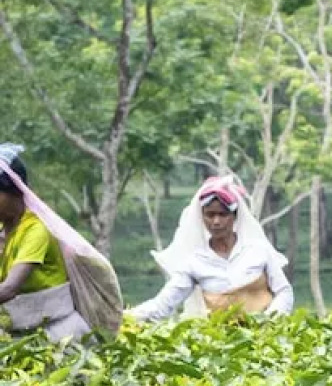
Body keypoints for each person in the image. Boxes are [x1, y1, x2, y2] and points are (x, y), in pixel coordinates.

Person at [129, 175, 293, 322]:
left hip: (266, 339)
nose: (216, 221)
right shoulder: (196, 263)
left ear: (234, 216)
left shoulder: (258, 250)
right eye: (210, 214)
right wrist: (126, 317)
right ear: (202, 217)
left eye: (222, 214)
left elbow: (284, 291)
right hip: (223, 344)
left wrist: (270, 320)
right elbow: (163, 305)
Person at [0, 144, 121, 341]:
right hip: (20, 333)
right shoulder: (3, 230)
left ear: (14, 190)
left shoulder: (36, 229)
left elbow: (9, 288)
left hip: (58, 335)